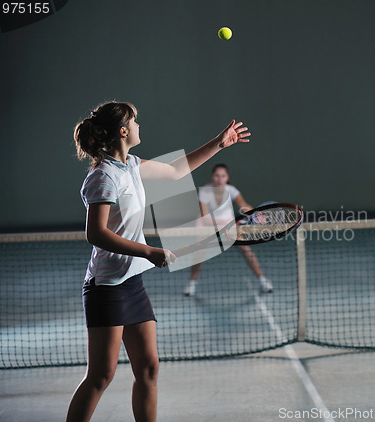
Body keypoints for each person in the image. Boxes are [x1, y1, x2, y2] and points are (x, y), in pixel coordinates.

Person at [66, 101, 250, 422]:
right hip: (106, 287)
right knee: (101, 376)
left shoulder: (132, 165)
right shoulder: (102, 177)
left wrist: (219, 143)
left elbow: (177, 170)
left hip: (132, 283)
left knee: (149, 368)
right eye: (135, 121)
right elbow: (96, 234)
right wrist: (149, 251)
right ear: (123, 131)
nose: (139, 125)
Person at [183, 163, 273, 297]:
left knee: (245, 249)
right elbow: (206, 218)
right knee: (199, 253)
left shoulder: (231, 190)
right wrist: (226, 224)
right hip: (207, 226)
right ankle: (192, 284)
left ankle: (262, 280)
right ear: (212, 177)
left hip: (229, 225)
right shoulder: (204, 192)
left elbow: (243, 205)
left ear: (227, 178)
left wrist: (254, 213)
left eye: (223, 176)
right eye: (217, 176)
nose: (220, 179)